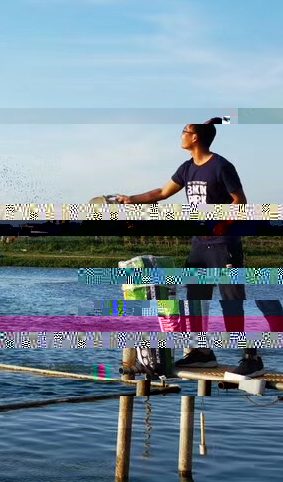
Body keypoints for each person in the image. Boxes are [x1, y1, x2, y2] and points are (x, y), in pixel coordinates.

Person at [95, 118, 264, 378]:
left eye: (185, 131)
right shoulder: (186, 169)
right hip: (200, 246)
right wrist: (131, 199)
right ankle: (203, 353)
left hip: (224, 244)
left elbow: (240, 201)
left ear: (195, 138)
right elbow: (161, 193)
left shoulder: (221, 166)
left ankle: (251, 359)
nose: (181, 135)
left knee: (232, 302)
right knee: (194, 302)